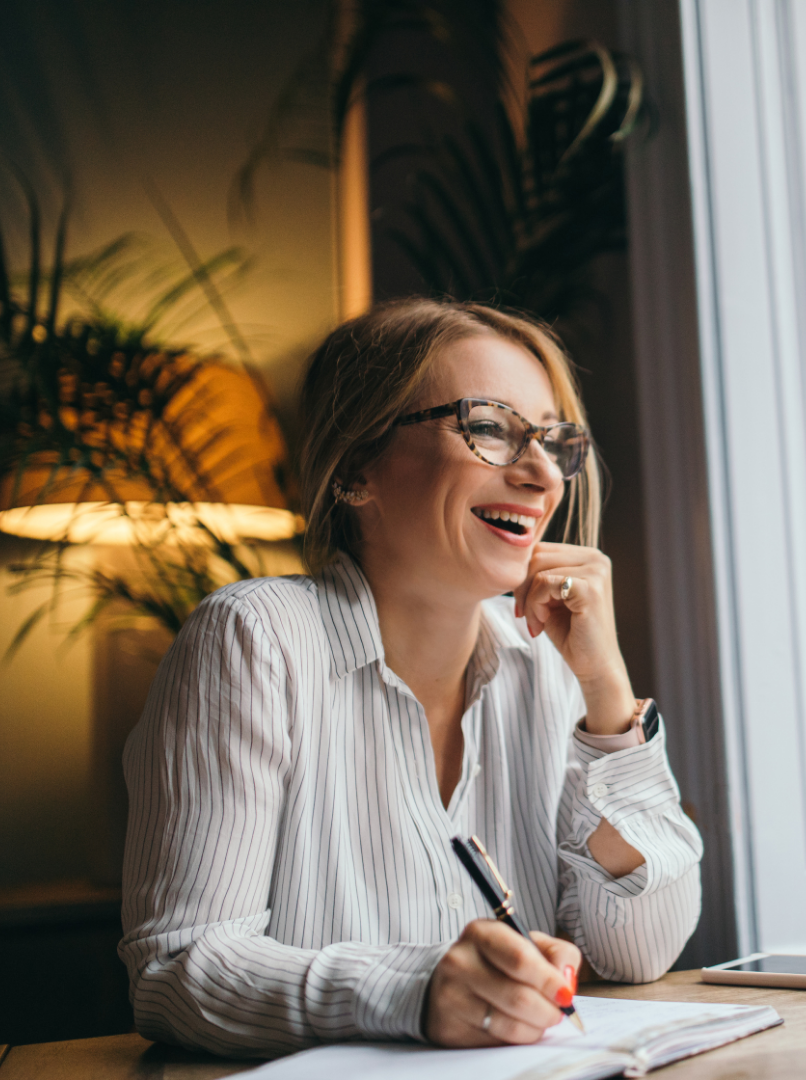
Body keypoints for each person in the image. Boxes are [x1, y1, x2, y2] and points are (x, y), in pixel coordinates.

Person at [118, 299, 703, 1058]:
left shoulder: (545, 666)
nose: (539, 475)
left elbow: (641, 952)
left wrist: (607, 690)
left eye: (554, 442)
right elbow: (178, 970)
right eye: (491, 428)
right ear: (358, 469)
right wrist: (412, 991)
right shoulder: (253, 640)